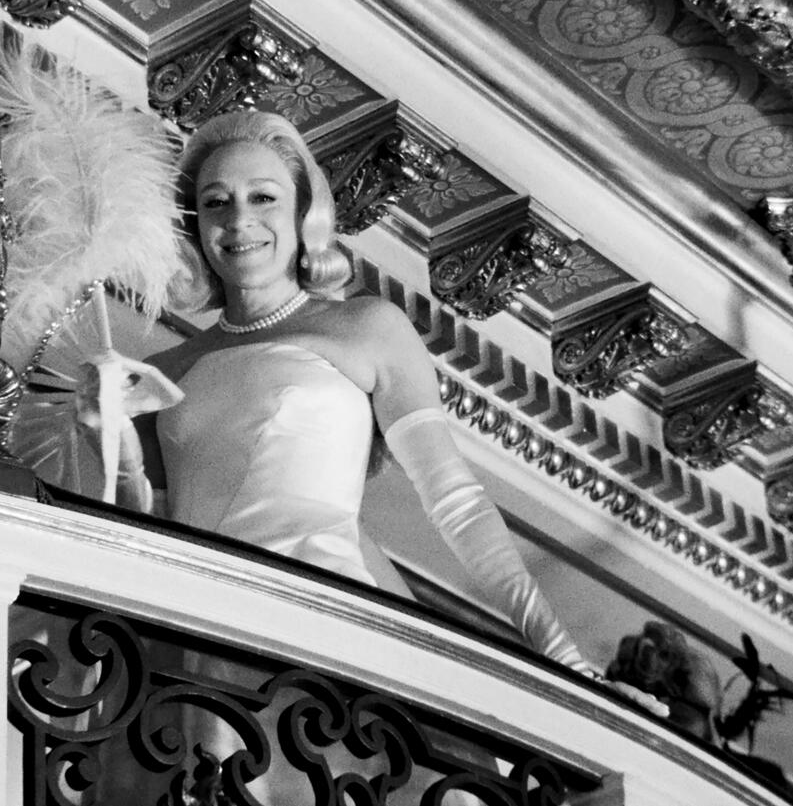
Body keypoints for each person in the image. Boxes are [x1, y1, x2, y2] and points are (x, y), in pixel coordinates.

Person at [76, 110, 667, 707]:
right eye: (216, 203)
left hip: (329, 617)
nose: (239, 220)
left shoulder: (365, 326)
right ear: (195, 223)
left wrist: (566, 660)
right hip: (198, 623)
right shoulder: (172, 369)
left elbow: (456, 504)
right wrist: (111, 434)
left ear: (302, 212)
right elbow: (145, 519)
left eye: (263, 197)